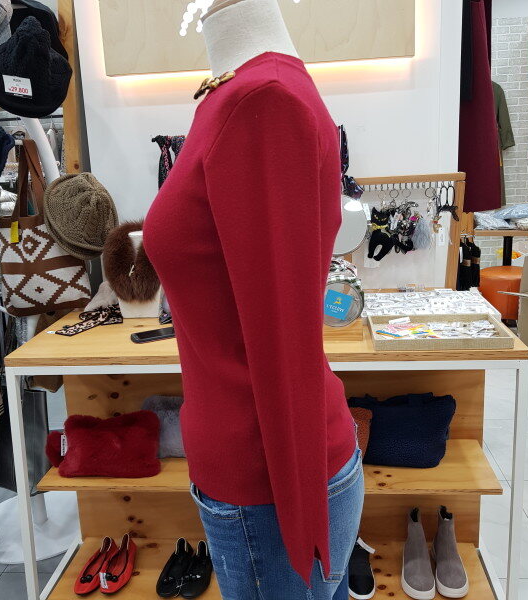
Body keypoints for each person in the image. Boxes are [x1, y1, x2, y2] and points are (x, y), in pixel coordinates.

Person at [143, 1, 364, 597]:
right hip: (249, 470)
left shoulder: (261, 102)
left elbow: (281, 336)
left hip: (265, 486)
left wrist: (300, 516)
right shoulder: (238, 93)